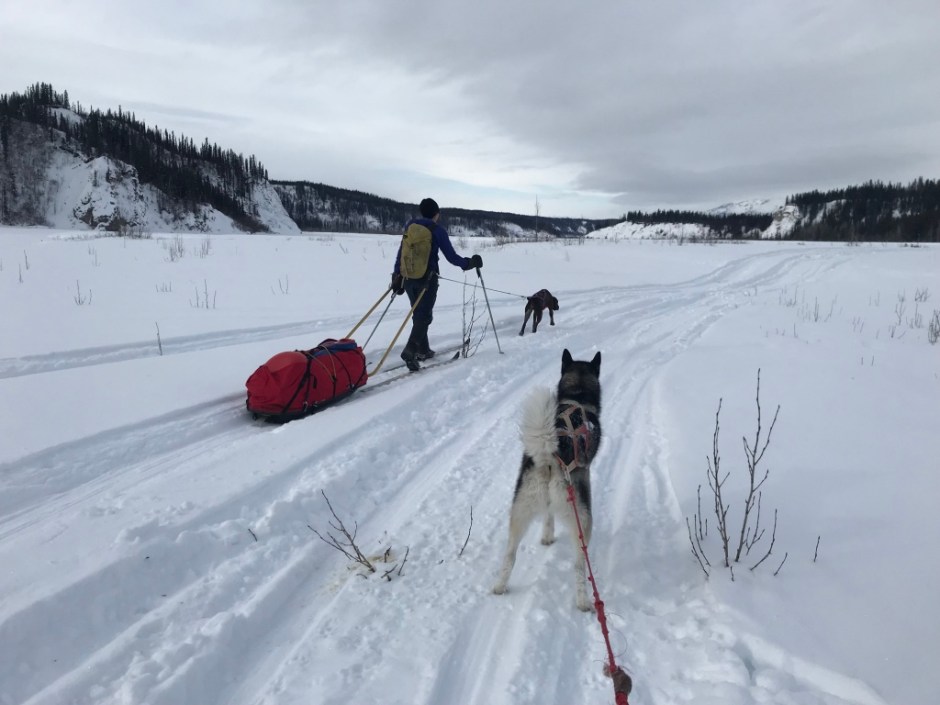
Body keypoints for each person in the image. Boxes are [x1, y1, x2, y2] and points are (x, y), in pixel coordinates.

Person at [391, 197, 483, 370]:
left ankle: (423, 350)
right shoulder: (437, 230)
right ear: (436, 214)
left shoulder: (410, 226)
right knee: (424, 316)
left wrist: (397, 274)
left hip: (409, 278)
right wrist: (469, 263)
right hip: (428, 279)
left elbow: (401, 252)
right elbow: (452, 257)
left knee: (419, 313)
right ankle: (411, 350)